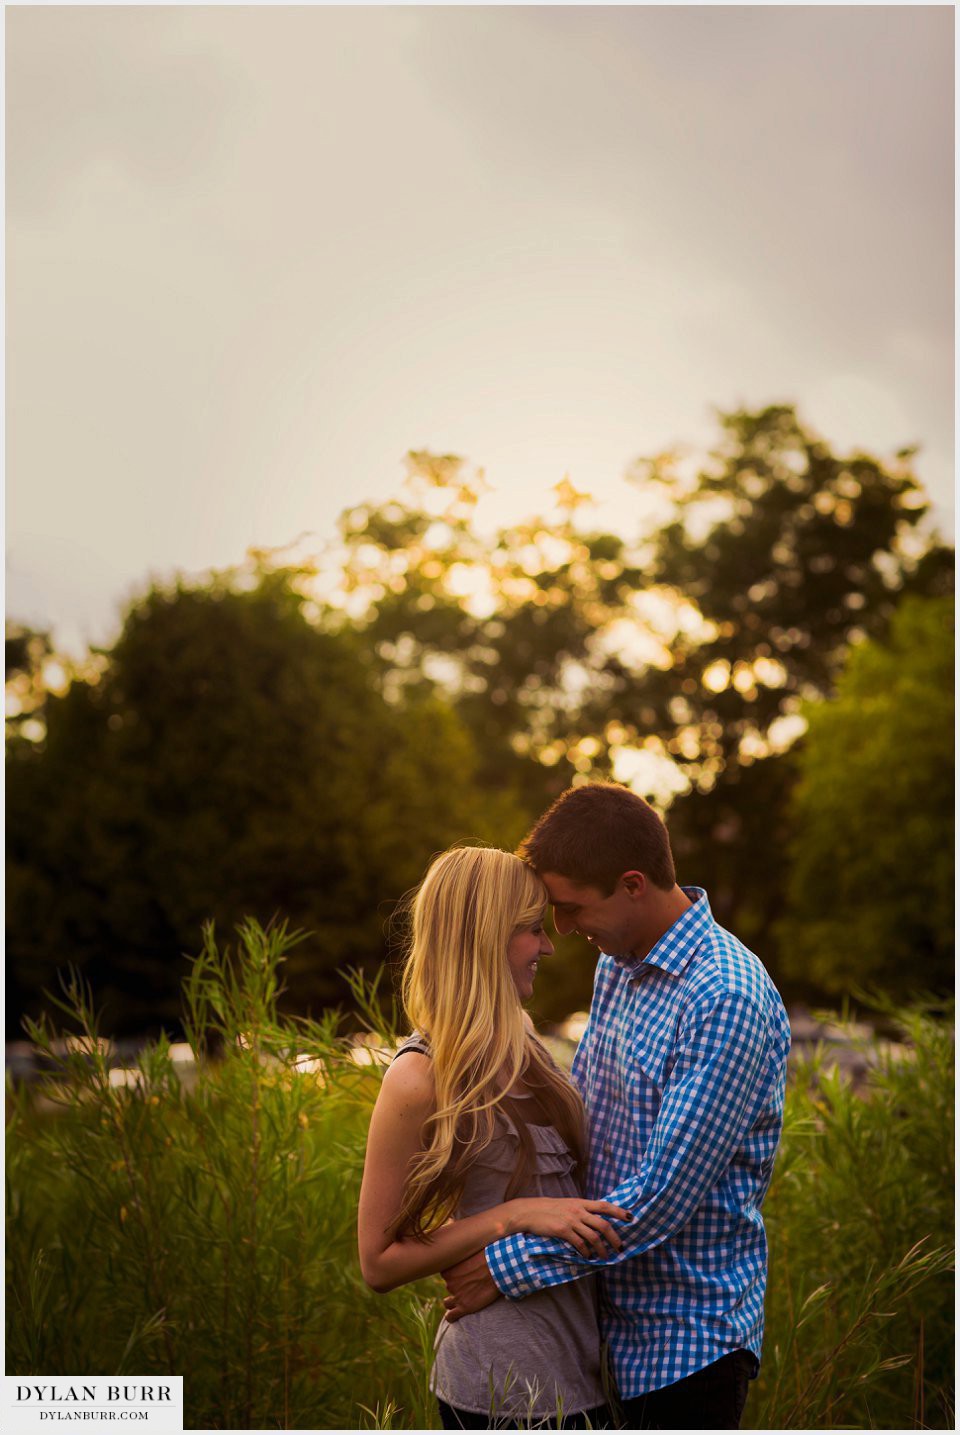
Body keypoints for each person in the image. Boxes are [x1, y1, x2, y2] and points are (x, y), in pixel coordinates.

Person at [442, 783, 792, 1431]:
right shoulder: (619, 967)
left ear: (633, 884)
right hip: (600, 1330)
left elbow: (659, 1195)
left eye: (571, 908)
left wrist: (504, 1264)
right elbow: (591, 1129)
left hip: (684, 1348)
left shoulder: (724, 995)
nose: (564, 930)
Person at [357, 844, 631, 1430]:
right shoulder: (418, 1076)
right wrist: (520, 1214)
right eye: (532, 929)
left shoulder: (526, 1043)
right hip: (498, 1393)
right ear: (485, 937)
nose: (549, 946)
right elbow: (378, 1263)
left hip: (584, 1376)